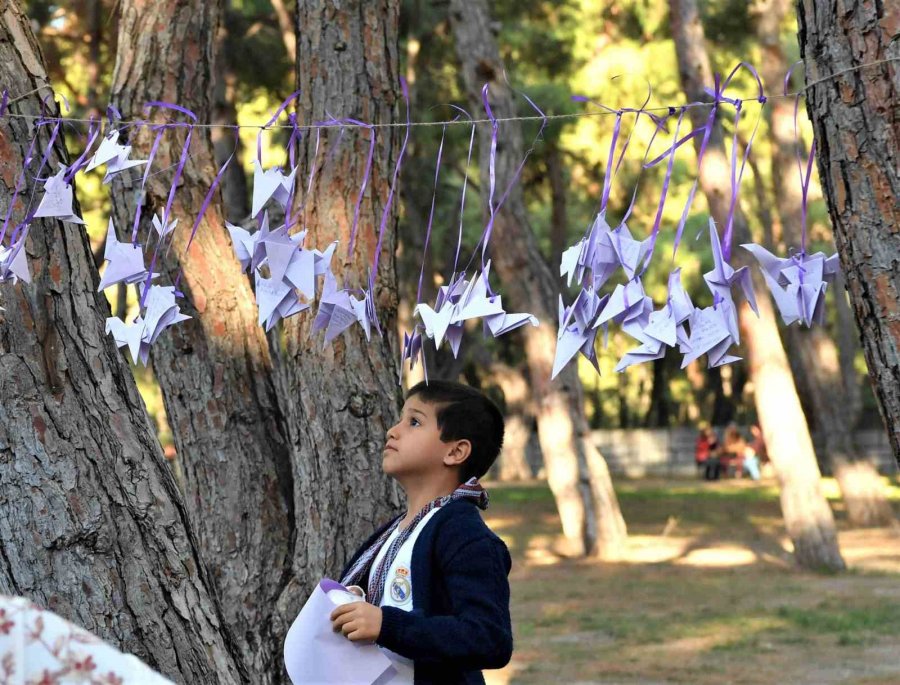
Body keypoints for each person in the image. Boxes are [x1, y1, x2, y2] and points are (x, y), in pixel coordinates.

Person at [329, 380, 513, 685]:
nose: (393, 430)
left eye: (414, 422)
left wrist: (387, 625)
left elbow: (489, 637)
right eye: (400, 419)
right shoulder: (394, 531)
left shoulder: (463, 533)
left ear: (456, 451)